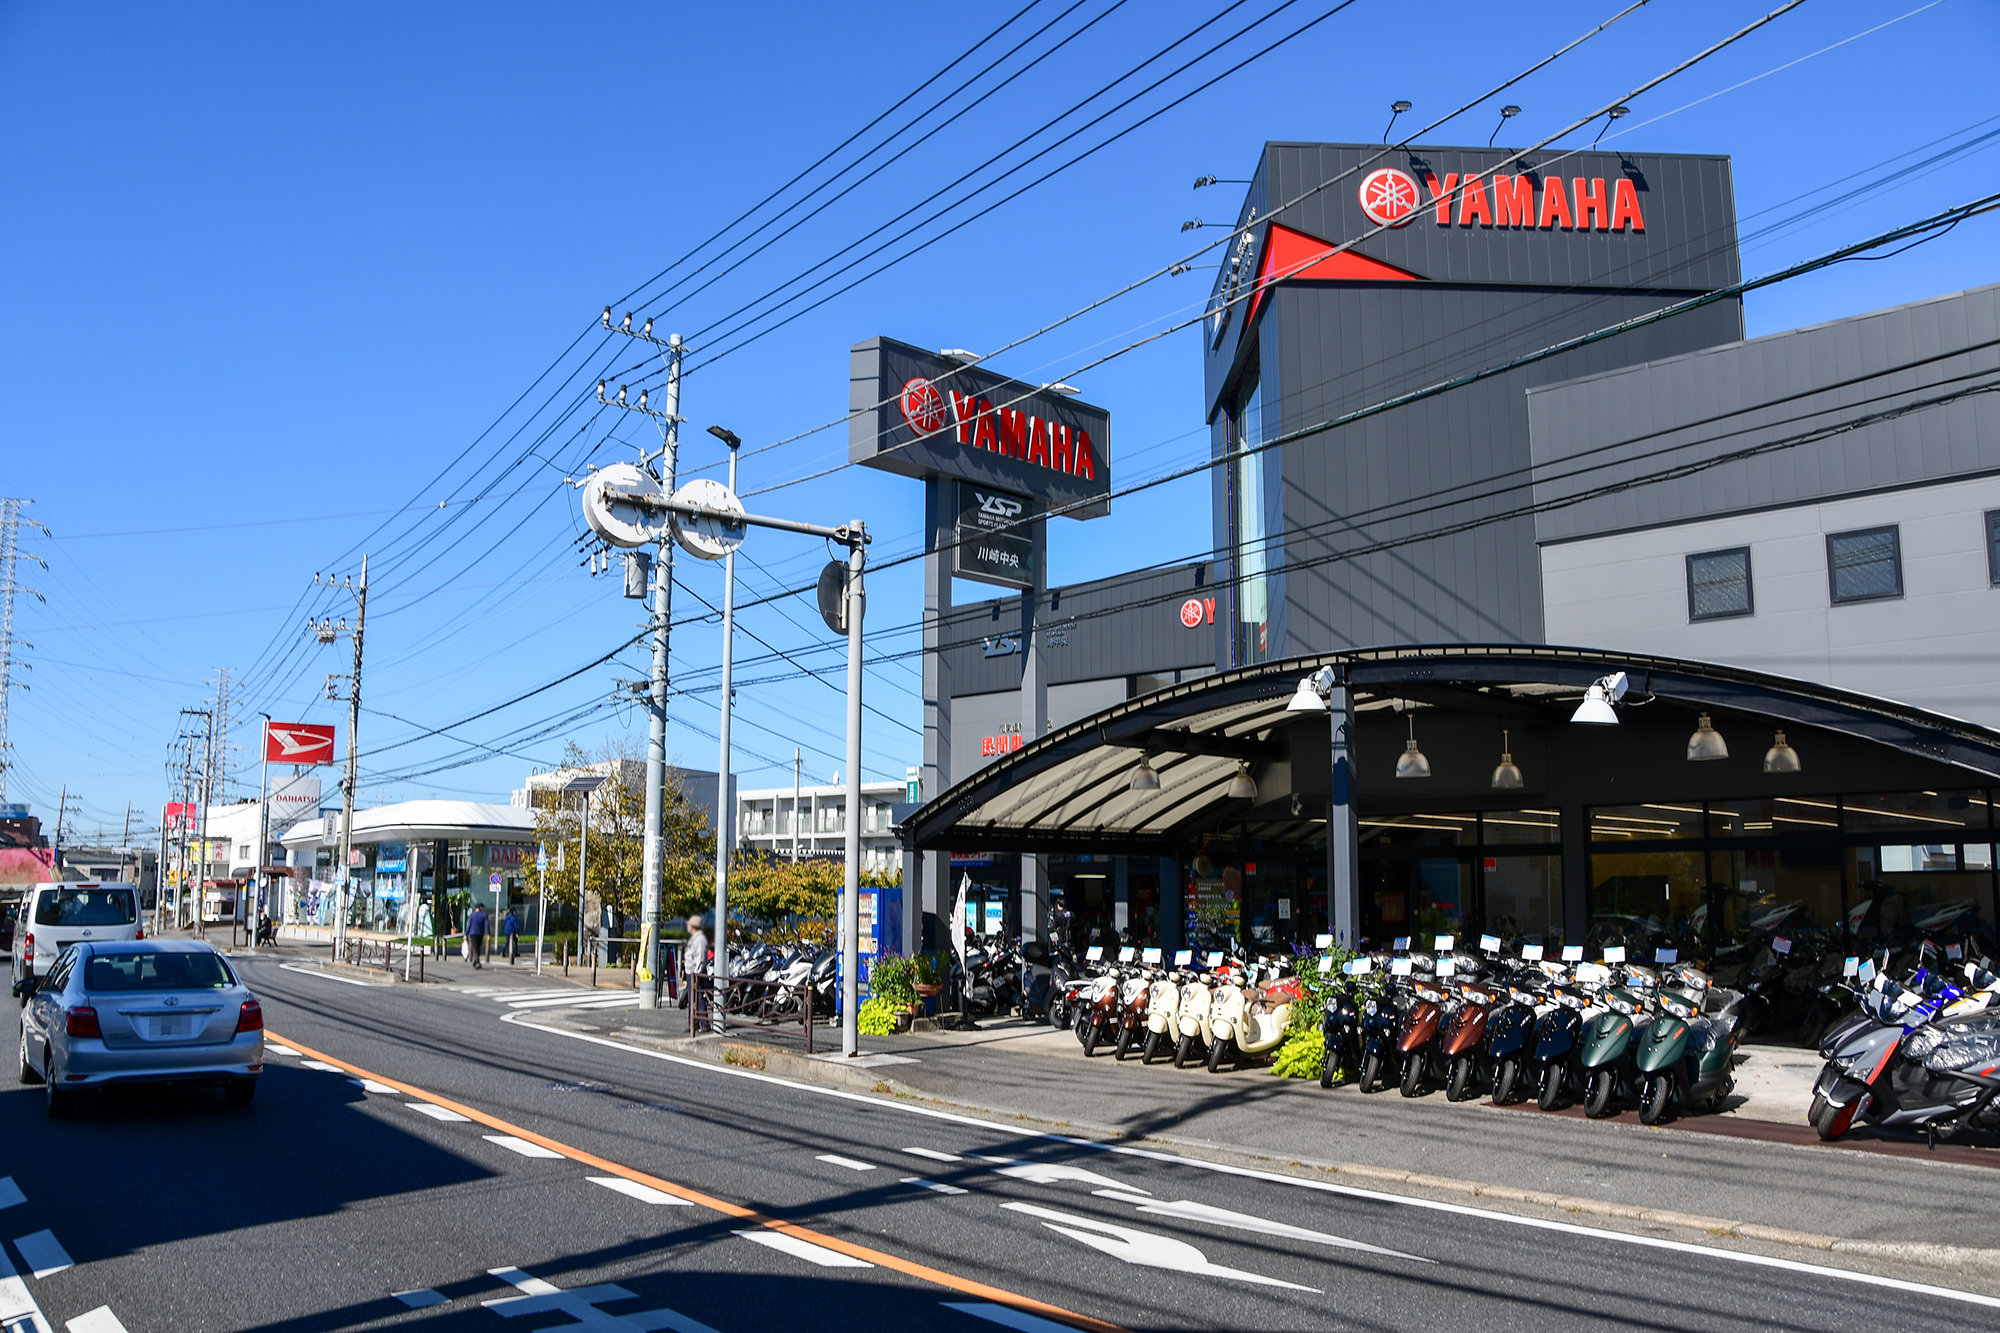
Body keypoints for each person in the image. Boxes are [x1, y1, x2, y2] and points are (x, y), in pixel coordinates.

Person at [677, 914, 709, 1010]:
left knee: (698, 998)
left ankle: (704, 1023)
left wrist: (697, 971)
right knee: (692, 999)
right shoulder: (695, 938)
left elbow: (700, 957)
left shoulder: (700, 939)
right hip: (691, 971)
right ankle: (693, 1023)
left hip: (696, 973)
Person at [466, 902, 489, 970]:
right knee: (478, 948)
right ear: (480, 907)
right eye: (482, 907)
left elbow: (468, 925)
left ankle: (476, 961)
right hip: (480, 933)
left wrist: (466, 934)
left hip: (473, 934)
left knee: (475, 948)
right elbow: (486, 925)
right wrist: (488, 933)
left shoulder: (471, 916)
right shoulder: (484, 915)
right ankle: (477, 962)